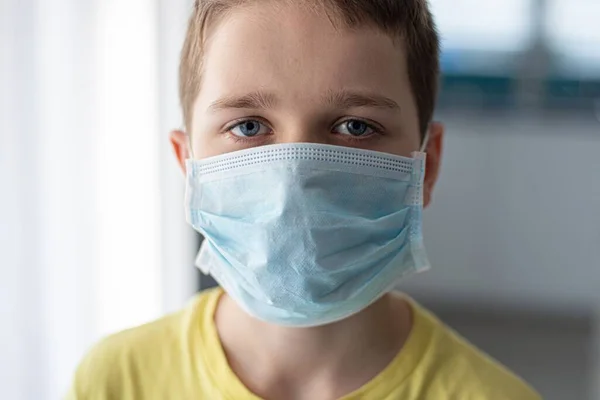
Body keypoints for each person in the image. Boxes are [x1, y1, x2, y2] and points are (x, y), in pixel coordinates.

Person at [67, 1, 542, 399]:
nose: (296, 179)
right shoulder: (116, 380)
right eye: (248, 126)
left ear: (426, 166)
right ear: (186, 164)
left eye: (356, 126)